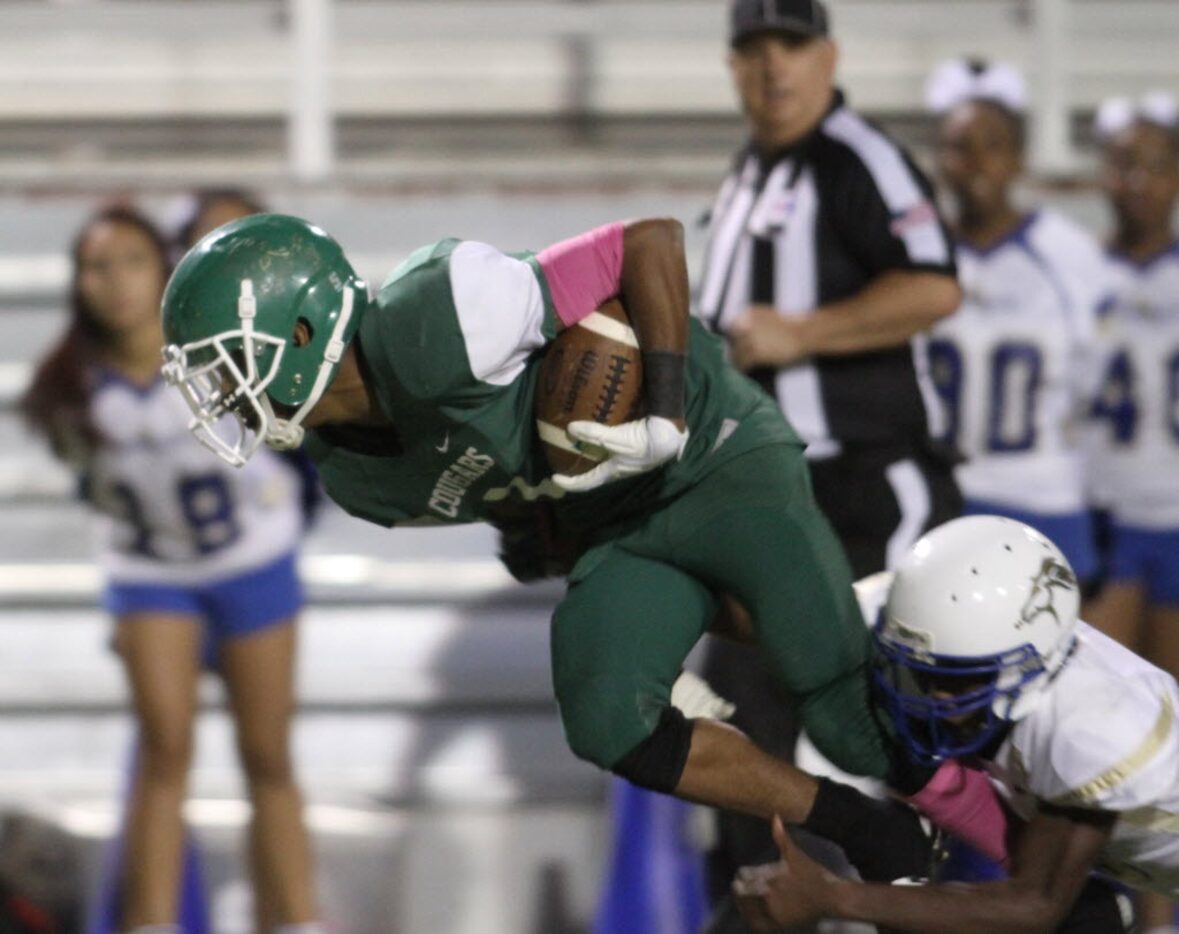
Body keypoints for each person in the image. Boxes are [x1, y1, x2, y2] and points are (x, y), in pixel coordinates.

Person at [159, 212, 975, 889]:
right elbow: (527, 500)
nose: (225, 393)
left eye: (228, 362)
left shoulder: (435, 315)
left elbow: (647, 242)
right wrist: (545, 548)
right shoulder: (356, 481)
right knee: (607, 714)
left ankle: (1012, 828)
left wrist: (658, 413)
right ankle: (859, 824)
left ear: (300, 330)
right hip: (623, 523)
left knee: (841, 710)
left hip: (708, 454)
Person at [692, 0, 963, 918]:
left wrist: (802, 333)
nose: (773, 69)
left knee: (906, 735)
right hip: (779, 506)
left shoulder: (857, 157)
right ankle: (772, 904)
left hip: (864, 494)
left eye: (791, 46)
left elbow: (932, 285)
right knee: (735, 718)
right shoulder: (749, 172)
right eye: (754, 49)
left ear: (829, 55)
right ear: (732, 67)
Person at [19, 205, 323, 934]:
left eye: (131, 260)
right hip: (151, 572)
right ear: (77, 283)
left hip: (251, 560)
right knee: (163, 749)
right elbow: (90, 485)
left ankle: (296, 920)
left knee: (267, 752)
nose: (116, 282)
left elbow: (301, 445)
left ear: (162, 267)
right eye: (98, 266)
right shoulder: (68, 389)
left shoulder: (222, 352)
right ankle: (150, 923)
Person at [732, 515, 1175, 933]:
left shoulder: (1093, 727)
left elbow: (1032, 909)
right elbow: (786, 627)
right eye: (930, 675)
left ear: (1035, 663)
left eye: (962, 680)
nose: (938, 699)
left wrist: (834, 896)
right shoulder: (922, 616)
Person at [923, 59, 1107, 592]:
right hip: (943, 500)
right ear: (939, 158)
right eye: (960, 145)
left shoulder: (1069, 255)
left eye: (994, 143)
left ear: (1019, 155)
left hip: (1044, 498)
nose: (977, 161)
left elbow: (1096, 386)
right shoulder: (910, 255)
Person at [1085, 92, 1179, 934]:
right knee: (1111, 735)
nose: (1136, 181)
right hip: (1111, 526)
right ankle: (1127, 915)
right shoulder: (1080, 273)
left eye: (1152, 162)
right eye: (1121, 162)